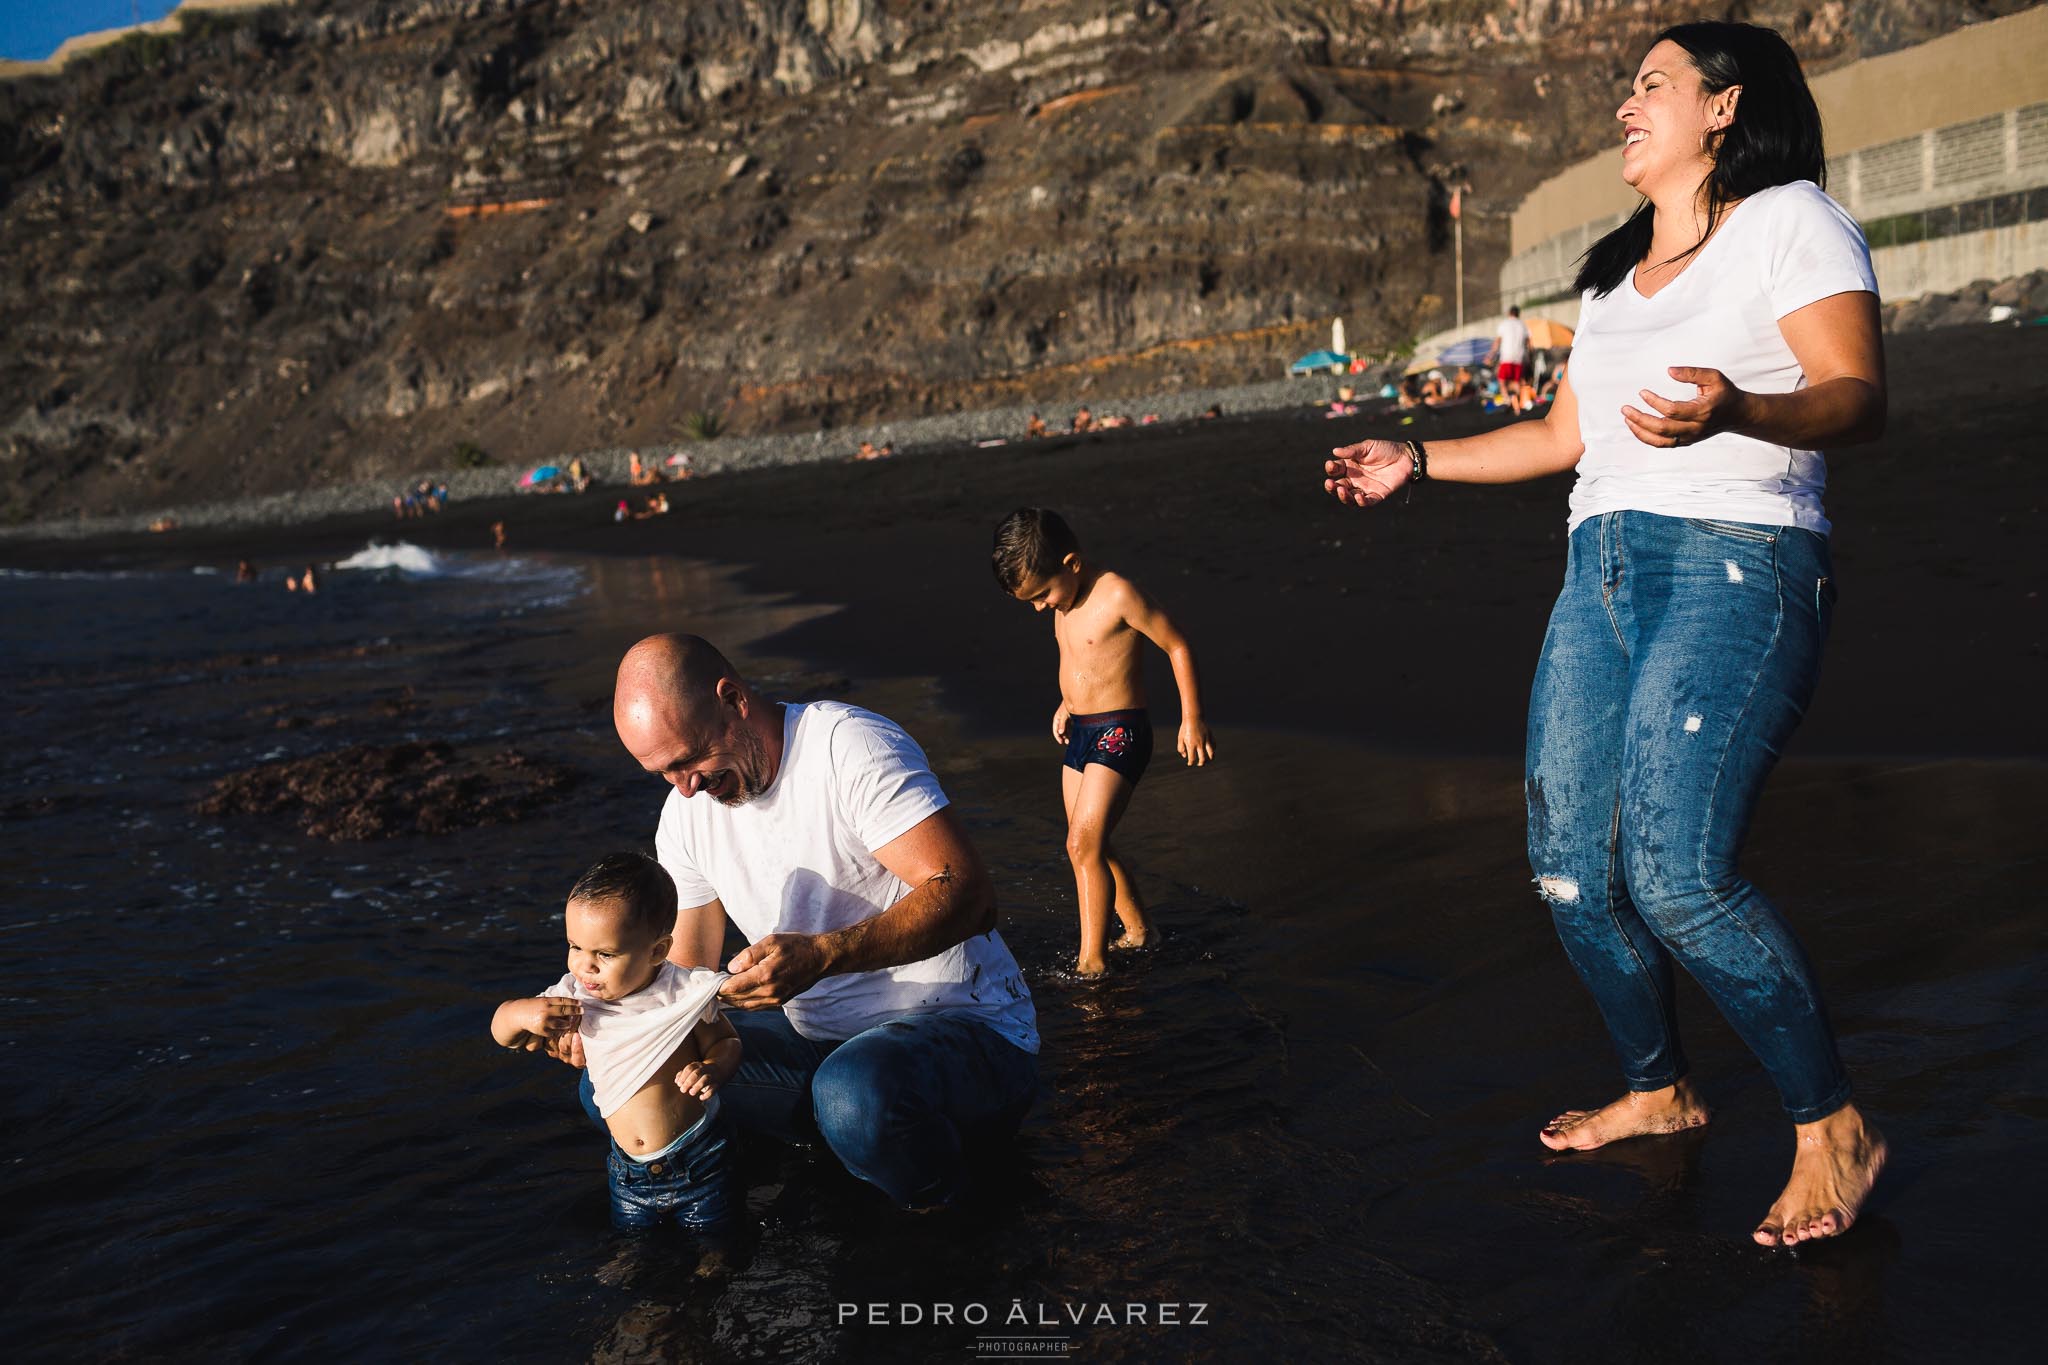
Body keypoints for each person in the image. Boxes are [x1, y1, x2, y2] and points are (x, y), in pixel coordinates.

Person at [1321, 21, 1887, 1248]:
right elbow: (1557, 441)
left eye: (1650, 85)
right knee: (1571, 864)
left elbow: (1854, 391)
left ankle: (1829, 1124)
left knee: (1679, 874)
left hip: (1736, 561)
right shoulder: (1610, 273)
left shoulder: (1789, 219)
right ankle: (1658, 1086)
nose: (1624, 105)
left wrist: (1741, 406)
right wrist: (1412, 458)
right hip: (1600, 572)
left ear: (1724, 107)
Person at [578, 634, 1039, 1209]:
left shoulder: (846, 747)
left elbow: (970, 896)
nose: (686, 787)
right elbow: (680, 975)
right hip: (817, 1050)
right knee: (618, 1083)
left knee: (851, 1094)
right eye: (663, 773)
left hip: (967, 1034)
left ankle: (959, 1214)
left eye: (690, 759)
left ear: (733, 698)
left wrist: (823, 956)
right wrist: (602, 1022)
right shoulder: (684, 816)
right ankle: (816, 1166)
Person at [990, 508, 1215, 977]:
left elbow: (1177, 645)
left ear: (1072, 564)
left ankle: (1092, 961)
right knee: (1089, 843)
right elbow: (1080, 662)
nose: (1039, 607)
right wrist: (1066, 703)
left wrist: (1191, 719)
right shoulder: (1064, 602)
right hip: (1081, 730)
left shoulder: (1116, 593)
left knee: (1082, 845)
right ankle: (1138, 931)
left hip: (1121, 730)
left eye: (1042, 595)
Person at [493, 852, 741, 1235]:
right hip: (628, 1172)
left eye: (605, 954)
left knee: (715, 1246)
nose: (585, 967)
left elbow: (726, 1039)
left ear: (657, 951)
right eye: (576, 947)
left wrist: (714, 1068)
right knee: (633, 1251)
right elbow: (503, 1033)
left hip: (699, 1161)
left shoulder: (683, 992)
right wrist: (520, 1013)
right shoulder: (575, 994)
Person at [1486, 304, 1533, 395]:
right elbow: (1529, 343)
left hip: (1507, 357)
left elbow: (1497, 342)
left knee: (1502, 382)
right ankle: (1519, 401)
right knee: (1516, 382)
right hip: (1519, 357)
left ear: (1509, 313)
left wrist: (1490, 356)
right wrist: (1530, 356)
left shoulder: (1504, 324)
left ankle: (1507, 400)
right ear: (1518, 314)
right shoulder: (1523, 325)